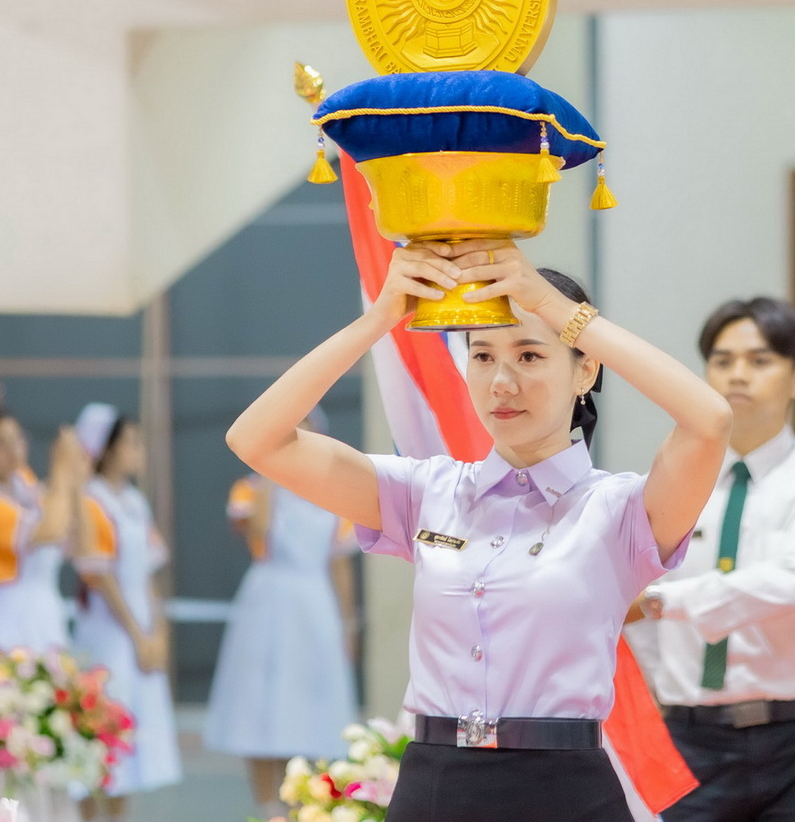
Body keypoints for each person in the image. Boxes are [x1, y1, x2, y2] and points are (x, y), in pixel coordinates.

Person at [225, 240, 732, 822]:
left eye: (531, 356)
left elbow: (708, 421)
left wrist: (554, 306)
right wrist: (383, 316)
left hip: (564, 790)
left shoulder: (619, 510)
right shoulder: (423, 490)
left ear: (585, 369)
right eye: (483, 355)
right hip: (434, 784)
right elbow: (256, 439)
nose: (501, 382)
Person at [623, 297, 795, 822]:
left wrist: (662, 603)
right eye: (722, 360)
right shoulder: (669, 483)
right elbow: (632, 598)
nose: (738, 375)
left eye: (760, 361)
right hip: (690, 741)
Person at [203, 408, 359, 817]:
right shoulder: (251, 488)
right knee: (261, 704)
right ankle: (265, 804)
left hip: (315, 605)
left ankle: (304, 804)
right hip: (268, 600)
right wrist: (270, 470)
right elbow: (256, 533)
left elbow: (339, 565)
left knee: (311, 704)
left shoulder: (335, 493)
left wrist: (347, 623)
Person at [73, 403, 183, 814]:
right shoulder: (92, 501)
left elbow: (149, 575)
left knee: (130, 742)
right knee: (101, 731)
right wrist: (137, 634)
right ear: (108, 448)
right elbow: (101, 577)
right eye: (131, 442)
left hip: (138, 624)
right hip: (107, 631)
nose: (139, 450)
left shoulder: (134, 501)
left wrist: (158, 632)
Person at [0, 410, 87, 657]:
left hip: (47, 615)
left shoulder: (30, 494)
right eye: (0, 443)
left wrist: (75, 481)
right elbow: (49, 531)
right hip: (7, 618)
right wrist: (61, 469)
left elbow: (82, 546)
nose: (13, 451)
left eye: (17, 440)